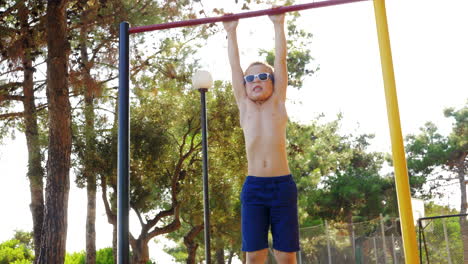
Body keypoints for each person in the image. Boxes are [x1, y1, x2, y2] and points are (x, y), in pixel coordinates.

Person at [223, 10, 300, 264]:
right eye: (250, 78)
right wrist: (231, 31)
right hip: (254, 187)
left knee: (285, 255)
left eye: (263, 76)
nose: (256, 80)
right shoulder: (244, 106)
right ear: (244, 85)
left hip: (282, 186)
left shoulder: (277, 103)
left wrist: (279, 25)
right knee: (254, 255)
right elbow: (235, 67)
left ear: (273, 83)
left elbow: (281, 61)